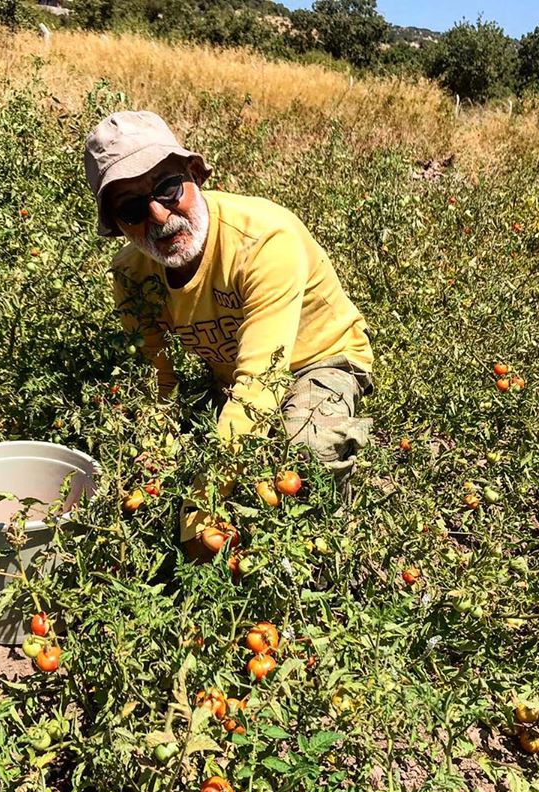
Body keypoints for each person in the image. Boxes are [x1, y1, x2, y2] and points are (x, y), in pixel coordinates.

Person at [84, 110, 373, 543]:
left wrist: (201, 510)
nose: (160, 217)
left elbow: (262, 380)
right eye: (131, 208)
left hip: (317, 361)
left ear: (194, 175)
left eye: (167, 189)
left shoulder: (263, 241)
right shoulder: (131, 274)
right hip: (231, 377)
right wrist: (156, 455)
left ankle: (335, 545)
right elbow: (156, 382)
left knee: (306, 456)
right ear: (117, 224)